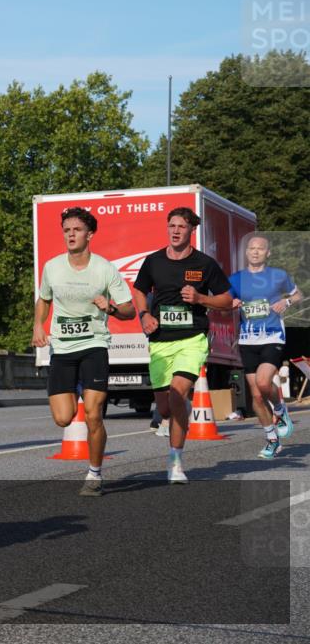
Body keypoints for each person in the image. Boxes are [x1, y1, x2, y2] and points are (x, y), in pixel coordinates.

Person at [32, 207, 135, 496]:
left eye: (76, 230)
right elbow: (44, 300)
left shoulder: (104, 269)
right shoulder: (52, 267)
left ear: (89, 234)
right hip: (63, 349)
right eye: (66, 230)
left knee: (92, 415)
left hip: (94, 346)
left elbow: (129, 310)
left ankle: (94, 473)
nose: (70, 235)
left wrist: (111, 307)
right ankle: (77, 394)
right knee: (63, 418)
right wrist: (38, 326)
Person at [131, 207, 233, 484]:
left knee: (177, 395)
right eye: (172, 226)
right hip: (161, 342)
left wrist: (201, 299)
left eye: (181, 226)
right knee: (164, 409)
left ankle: (175, 462)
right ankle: (179, 411)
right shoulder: (153, 262)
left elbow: (226, 300)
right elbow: (140, 290)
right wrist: (145, 314)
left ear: (191, 230)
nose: (175, 231)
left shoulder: (205, 264)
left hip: (192, 339)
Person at [229, 232, 302, 458]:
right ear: (247, 252)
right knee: (257, 397)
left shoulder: (278, 276)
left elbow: (299, 294)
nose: (256, 251)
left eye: (260, 248)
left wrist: (286, 301)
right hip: (247, 339)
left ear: (267, 253)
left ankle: (280, 409)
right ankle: (272, 440)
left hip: (272, 336)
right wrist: (231, 302)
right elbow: (224, 301)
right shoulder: (236, 278)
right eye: (252, 248)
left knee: (263, 383)